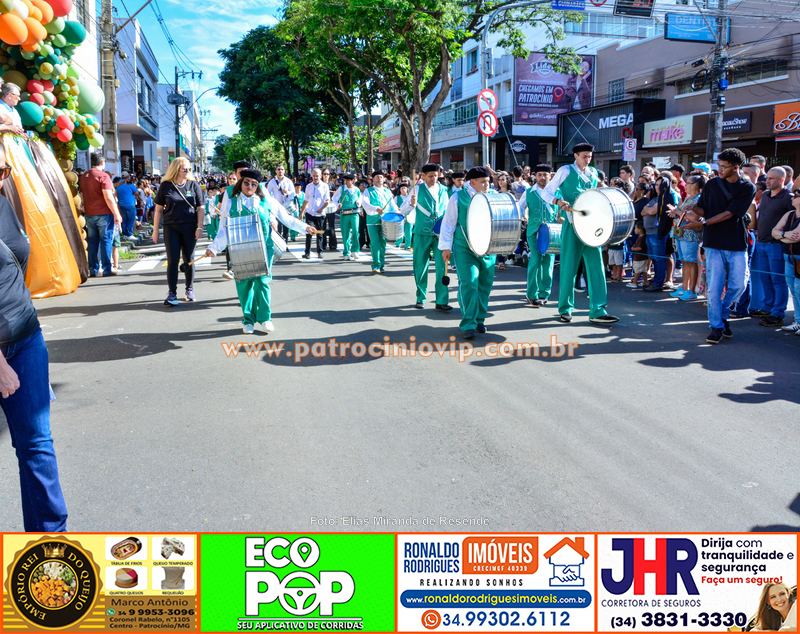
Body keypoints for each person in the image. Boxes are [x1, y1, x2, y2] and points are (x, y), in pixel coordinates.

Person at [0, 145, 68, 532]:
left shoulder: (4, 204)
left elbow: (16, 266)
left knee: (36, 445)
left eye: (3, 170)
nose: (2, 178)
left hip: (25, 336)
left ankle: (49, 542)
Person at [206, 169, 314, 334]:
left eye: (254, 184)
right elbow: (224, 230)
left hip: (264, 248)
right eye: (246, 182)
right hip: (239, 249)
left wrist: (305, 227)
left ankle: (265, 318)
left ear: (258, 186)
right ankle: (248, 320)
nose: (250, 186)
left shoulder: (268, 202)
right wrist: (213, 248)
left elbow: (287, 219)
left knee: (262, 282)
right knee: (244, 285)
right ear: (241, 184)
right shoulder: (231, 203)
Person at [684, 148, 756, 344]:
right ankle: (716, 326)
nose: (719, 170)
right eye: (719, 166)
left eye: (723, 167)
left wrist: (703, 223)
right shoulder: (712, 184)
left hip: (736, 242)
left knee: (739, 284)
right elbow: (704, 209)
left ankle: (723, 315)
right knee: (714, 288)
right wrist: (691, 208)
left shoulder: (747, 187)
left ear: (736, 167)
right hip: (713, 243)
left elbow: (730, 214)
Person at [541, 143, 619, 324]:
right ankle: (565, 309)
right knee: (569, 267)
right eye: (584, 156)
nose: (587, 160)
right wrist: (558, 202)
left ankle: (598, 310)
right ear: (575, 155)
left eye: (590, 156)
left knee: (597, 267)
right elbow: (546, 192)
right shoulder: (565, 171)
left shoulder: (592, 173)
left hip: (591, 227)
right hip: (572, 224)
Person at [439, 166, 496, 339]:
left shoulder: (494, 197)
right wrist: (446, 247)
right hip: (465, 247)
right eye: (483, 182)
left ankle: (480, 320)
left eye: (488, 181)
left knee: (485, 285)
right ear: (472, 182)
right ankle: (468, 323)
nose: (487, 185)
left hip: (488, 248)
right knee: (470, 283)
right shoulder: (458, 197)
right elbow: (448, 223)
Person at [152, 157, 206, 306]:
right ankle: (172, 293)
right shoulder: (165, 186)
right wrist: (155, 230)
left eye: (189, 169)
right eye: (185, 169)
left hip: (190, 226)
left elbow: (200, 207)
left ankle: (189, 289)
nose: (188, 172)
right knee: (173, 259)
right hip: (171, 227)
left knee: (189, 259)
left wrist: (200, 226)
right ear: (176, 169)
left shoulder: (194, 185)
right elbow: (158, 210)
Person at [750, 167, 793, 327]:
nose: (767, 181)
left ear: (782, 180)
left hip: (777, 244)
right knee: (764, 277)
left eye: (772, 178)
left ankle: (778, 313)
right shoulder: (766, 195)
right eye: (767, 178)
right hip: (761, 242)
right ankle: (767, 307)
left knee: (777, 280)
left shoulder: (788, 197)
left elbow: (792, 219)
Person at [408, 163, 451, 310]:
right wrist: (410, 203)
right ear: (423, 176)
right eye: (430, 176)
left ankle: (442, 301)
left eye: (436, 176)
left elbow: (448, 210)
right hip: (421, 232)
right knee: (420, 265)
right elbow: (403, 210)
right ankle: (420, 297)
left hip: (440, 233)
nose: (434, 178)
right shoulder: (416, 189)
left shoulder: (444, 190)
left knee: (442, 266)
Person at [519, 164, 560, 306]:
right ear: (535, 176)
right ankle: (531, 294)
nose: (542, 177)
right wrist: (521, 217)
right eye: (540, 174)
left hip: (551, 233)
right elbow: (519, 208)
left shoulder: (557, 192)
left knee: (548, 263)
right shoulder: (529, 192)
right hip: (533, 231)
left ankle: (544, 293)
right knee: (535, 261)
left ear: (550, 176)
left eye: (545, 174)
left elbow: (564, 211)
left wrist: (562, 218)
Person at [80, 153, 122, 277]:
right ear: (102, 162)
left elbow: (82, 196)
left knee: (92, 241)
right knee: (106, 240)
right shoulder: (103, 176)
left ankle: (93, 269)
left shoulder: (84, 177)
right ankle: (106, 269)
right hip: (104, 212)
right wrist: (116, 214)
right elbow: (108, 197)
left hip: (89, 213)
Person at [670, 173, 706, 300]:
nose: (685, 185)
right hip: (682, 232)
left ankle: (692, 291)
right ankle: (685, 288)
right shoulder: (688, 198)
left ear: (695, 185)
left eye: (688, 183)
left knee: (691, 262)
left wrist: (678, 212)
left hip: (691, 234)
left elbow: (694, 217)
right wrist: (676, 212)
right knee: (685, 261)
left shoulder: (699, 199)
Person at [642, 173, 680, 292]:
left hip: (657, 233)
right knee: (653, 257)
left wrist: (649, 210)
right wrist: (648, 210)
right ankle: (657, 279)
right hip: (649, 232)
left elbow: (652, 211)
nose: (657, 187)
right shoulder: (655, 198)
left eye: (660, 185)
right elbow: (643, 211)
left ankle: (658, 282)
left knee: (659, 258)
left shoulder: (666, 197)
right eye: (656, 184)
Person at [771, 192, 800, 335]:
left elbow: (796, 237)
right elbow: (774, 231)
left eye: (796, 195)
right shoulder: (790, 214)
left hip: (798, 257)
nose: (792, 197)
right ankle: (798, 321)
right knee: (793, 291)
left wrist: (781, 235)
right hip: (788, 256)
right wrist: (785, 235)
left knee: (799, 289)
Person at [361, 169, 399, 273]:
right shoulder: (368, 191)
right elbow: (365, 203)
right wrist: (375, 208)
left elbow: (392, 205)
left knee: (383, 244)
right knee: (375, 243)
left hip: (385, 221)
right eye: (377, 177)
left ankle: (381, 265)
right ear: (373, 179)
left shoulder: (387, 191)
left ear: (384, 179)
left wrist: (397, 211)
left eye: (381, 177)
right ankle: (376, 265)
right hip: (372, 221)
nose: (379, 178)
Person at [300, 168, 329, 259]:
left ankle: (320, 251)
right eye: (314, 176)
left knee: (319, 233)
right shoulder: (308, 186)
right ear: (311, 176)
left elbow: (327, 201)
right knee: (309, 233)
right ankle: (307, 253)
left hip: (320, 214)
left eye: (317, 176)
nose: (315, 177)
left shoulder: (325, 186)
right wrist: (302, 212)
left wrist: (321, 209)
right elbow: (305, 200)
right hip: (310, 213)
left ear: (320, 176)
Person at [331, 173, 361, 260]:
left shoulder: (357, 189)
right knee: (345, 233)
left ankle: (355, 250)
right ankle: (346, 252)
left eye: (348, 180)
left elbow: (360, 198)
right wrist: (338, 205)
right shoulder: (341, 189)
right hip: (344, 213)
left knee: (355, 231)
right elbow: (334, 198)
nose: (346, 182)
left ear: (352, 181)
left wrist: (359, 202)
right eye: (345, 180)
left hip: (354, 213)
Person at [266, 164, 295, 242]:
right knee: (278, 225)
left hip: (286, 206)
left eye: (282, 169)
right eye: (278, 169)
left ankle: (285, 241)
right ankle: (279, 241)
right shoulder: (272, 182)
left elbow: (293, 193)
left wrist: (287, 192)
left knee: (286, 224)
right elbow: (267, 193)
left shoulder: (288, 181)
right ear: (276, 171)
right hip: (277, 207)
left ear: (284, 171)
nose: (280, 171)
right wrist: (271, 197)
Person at [115, 171, 139, 239]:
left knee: (124, 220)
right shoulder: (130, 185)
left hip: (122, 204)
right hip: (130, 204)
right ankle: (130, 234)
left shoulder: (118, 186)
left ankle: (125, 234)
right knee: (131, 219)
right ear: (128, 177)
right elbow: (136, 193)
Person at [628, 222, 649, 288]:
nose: (635, 230)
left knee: (637, 271)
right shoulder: (642, 237)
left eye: (636, 228)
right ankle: (645, 281)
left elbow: (640, 248)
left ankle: (634, 283)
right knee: (644, 270)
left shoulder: (641, 238)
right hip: (644, 257)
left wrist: (633, 248)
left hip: (639, 258)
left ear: (640, 230)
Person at [394, 180, 413, 249]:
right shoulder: (397, 197)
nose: (403, 189)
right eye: (402, 188)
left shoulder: (410, 197)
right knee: (399, 230)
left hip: (409, 215)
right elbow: (394, 206)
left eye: (405, 188)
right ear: (399, 190)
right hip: (400, 215)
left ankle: (407, 244)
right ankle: (398, 242)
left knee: (408, 230)